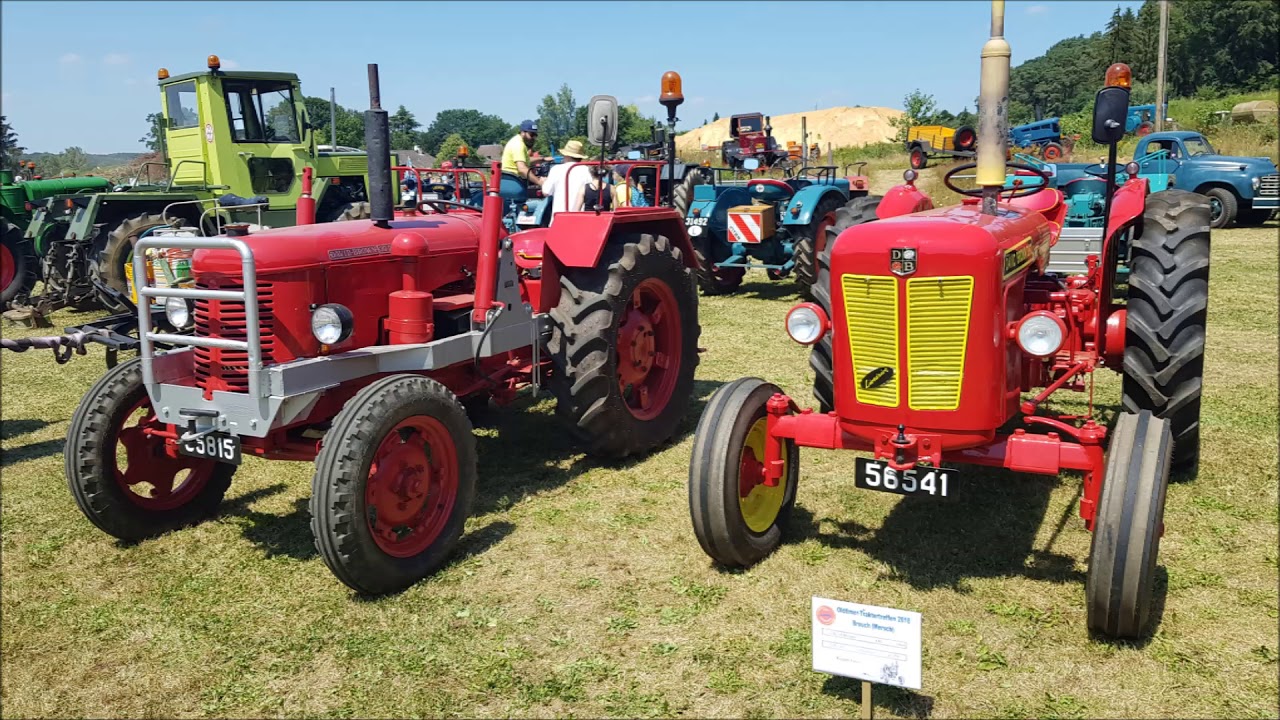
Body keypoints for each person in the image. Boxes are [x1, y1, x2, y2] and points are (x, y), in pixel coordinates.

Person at [541, 140, 592, 216]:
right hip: (581, 217)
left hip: (560, 217)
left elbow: (546, 192)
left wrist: (543, 182)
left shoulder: (556, 169)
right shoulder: (587, 170)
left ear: (567, 155)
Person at [502, 120, 543, 191]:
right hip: (516, 184)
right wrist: (540, 182)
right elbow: (522, 169)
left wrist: (543, 159)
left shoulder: (516, 141)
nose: (534, 138)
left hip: (511, 181)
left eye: (535, 135)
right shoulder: (518, 145)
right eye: (532, 135)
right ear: (523, 132)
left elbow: (525, 161)